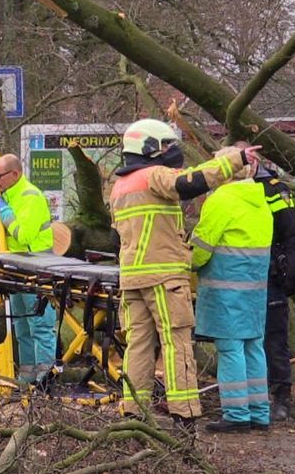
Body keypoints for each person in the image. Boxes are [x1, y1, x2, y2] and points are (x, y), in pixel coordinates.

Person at [109, 119, 258, 428]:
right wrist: (235, 160)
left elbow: (115, 239)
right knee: (176, 343)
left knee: (137, 345)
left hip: (132, 279)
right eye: (166, 147)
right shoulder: (154, 176)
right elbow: (190, 182)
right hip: (164, 278)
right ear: (150, 148)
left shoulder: (119, 186)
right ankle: (184, 412)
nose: (172, 153)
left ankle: (133, 412)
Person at [191, 149, 274, 433]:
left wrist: (184, 259)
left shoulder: (222, 200)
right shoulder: (260, 201)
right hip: (254, 289)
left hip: (225, 288)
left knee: (230, 349)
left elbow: (201, 249)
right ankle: (259, 412)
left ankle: (237, 414)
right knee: (254, 347)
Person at [0, 153, 59, 385]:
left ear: (15, 174)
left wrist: (4, 211)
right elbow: (7, 234)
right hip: (17, 269)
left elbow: (24, 234)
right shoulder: (7, 196)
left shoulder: (29, 196)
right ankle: (26, 379)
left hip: (37, 268)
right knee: (21, 326)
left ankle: (44, 381)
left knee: (40, 326)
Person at [252, 158, 295, 421]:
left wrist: (293, 270)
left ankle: (281, 396)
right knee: (247, 339)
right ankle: (252, 397)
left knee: (274, 339)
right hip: (242, 273)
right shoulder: (225, 188)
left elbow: (290, 232)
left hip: (271, 273)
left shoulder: (273, 188)